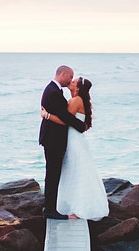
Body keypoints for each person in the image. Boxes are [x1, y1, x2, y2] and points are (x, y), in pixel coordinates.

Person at [42, 76, 109, 220]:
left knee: (74, 170)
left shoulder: (76, 101)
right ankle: (67, 203)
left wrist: (46, 115)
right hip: (75, 139)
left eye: (74, 81)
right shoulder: (77, 100)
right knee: (75, 170)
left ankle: (75, 204)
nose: (71, 82)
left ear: (77, 88)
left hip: (73, 140)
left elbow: (64, 120)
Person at [39, 65, 86, 220]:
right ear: (63, 74)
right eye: (70, 77)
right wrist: (81, 126)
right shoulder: (53, 91)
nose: (71, 80)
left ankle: (50, 206)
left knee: (53, 173)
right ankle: (50, 210)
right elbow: (65, 117)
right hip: (53, 140)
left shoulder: (54, 90)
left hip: (53, 139)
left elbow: (63, 115)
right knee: (53, 174)